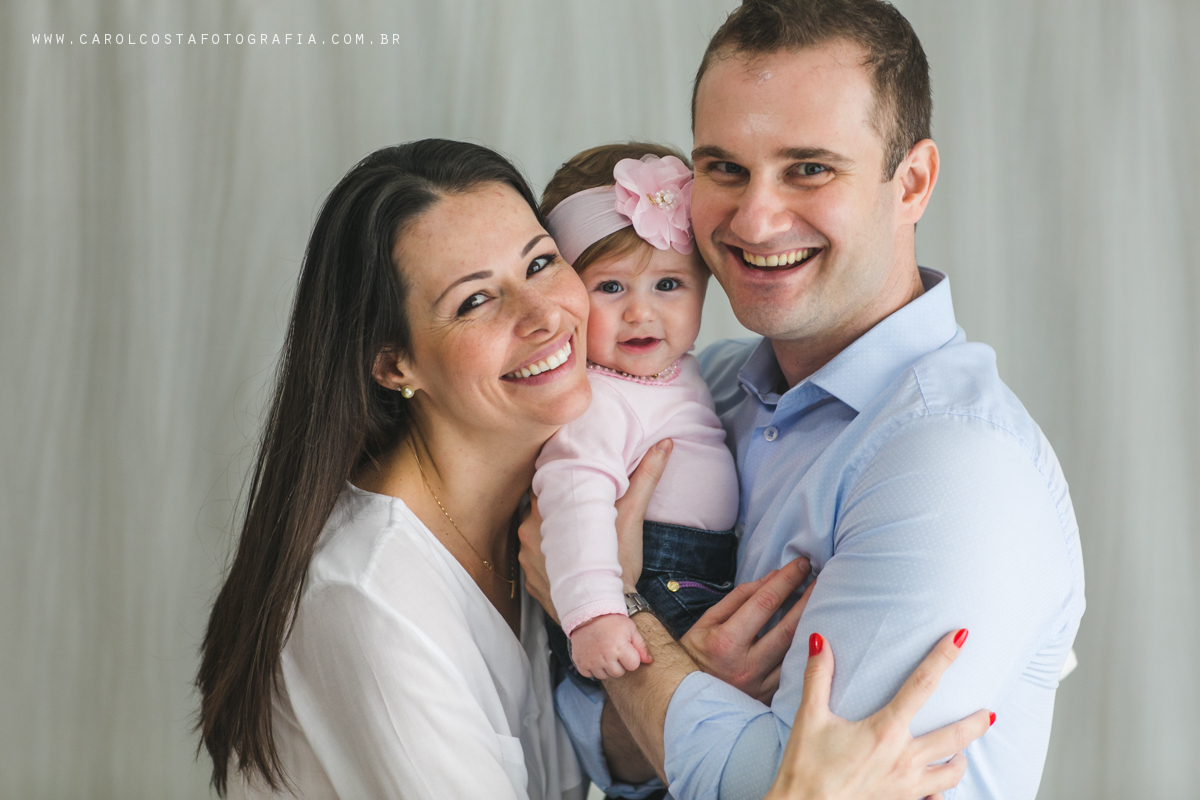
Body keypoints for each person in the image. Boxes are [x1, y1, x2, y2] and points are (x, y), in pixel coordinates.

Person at [196, 138, 989, 800]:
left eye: (541, 263)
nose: (544, 314)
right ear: (393, 363)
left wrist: (674, 676)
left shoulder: (548, 517)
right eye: (475, 302)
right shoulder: (370, 601)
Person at [530, 1, 1085, 799]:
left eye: (809, 169)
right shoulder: (702, 388)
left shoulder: (954, 464)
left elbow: (777, 787)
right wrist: (686, 683)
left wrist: (624, 618)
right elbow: (594, 752)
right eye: (724, 168)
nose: (755, 219)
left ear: (914, 181)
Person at [533, 143, 739, 680]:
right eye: (610, 287)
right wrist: (596, 614)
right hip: (650, 584)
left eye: (668, 284)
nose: (641, 312)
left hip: (698, 576)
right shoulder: (598, 397)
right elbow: (575, 495)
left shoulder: (683, 369)